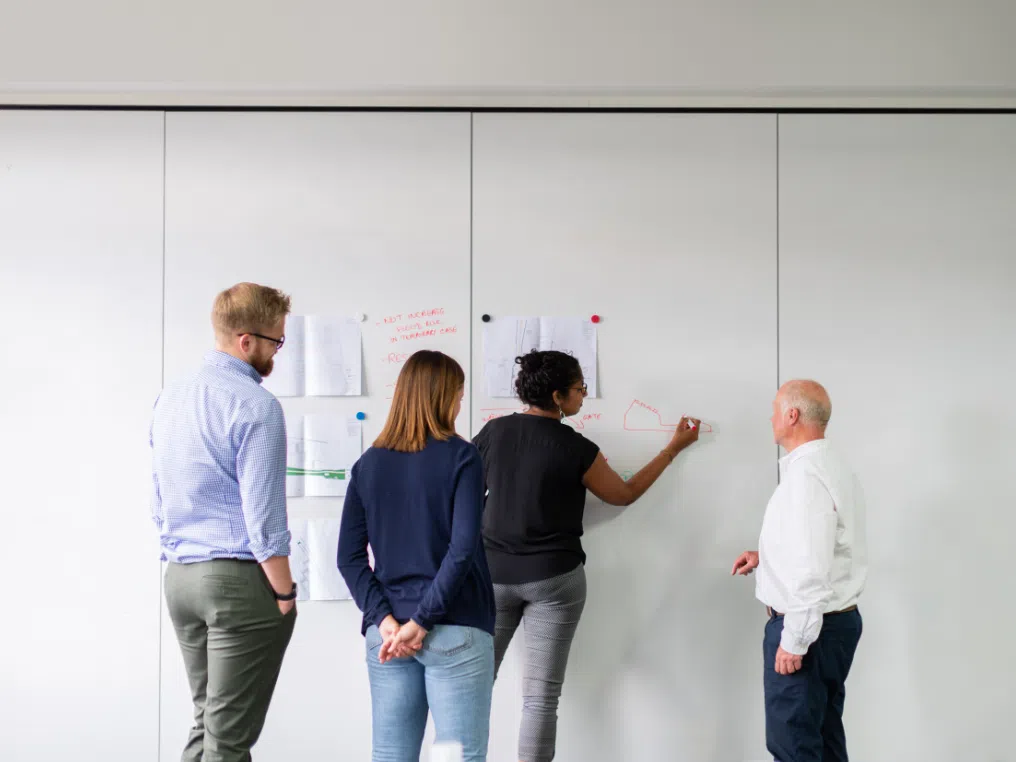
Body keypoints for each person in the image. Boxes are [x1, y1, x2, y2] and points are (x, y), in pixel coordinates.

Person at [472, 350, 701, 762]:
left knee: (472, 686)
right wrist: (672, 449)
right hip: (553, 579)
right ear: (558, 396)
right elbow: (622, 495)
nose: (584, 396)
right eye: (580, 389)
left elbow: (466, 492)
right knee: (540, 699)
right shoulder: (577, 447)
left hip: (491, 576)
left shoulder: (493, 433)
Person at [150, 282, 298, 762]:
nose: (278, 350)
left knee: (209, 722)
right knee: (229, 739)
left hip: (180, 578)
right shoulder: (256, 405)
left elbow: (158, 496)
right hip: (236, 582)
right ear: (245, 341)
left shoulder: (170, 398)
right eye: (275, 340)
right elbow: (264, 517)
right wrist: (285, 592)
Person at [337, 350, 495, 762]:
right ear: (443, 397)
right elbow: (461, 550)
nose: (461, 403)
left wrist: (388, 622)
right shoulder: (463, 456)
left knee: (390, 756)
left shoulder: (367, 464)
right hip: (455, 628)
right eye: (459, 394)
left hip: (387, 636)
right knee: (457, 756)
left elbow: (349, 559)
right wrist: (422, 621)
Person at [731, 380, 867, 762]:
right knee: (823, 738)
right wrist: (767, 556)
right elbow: (826, 542)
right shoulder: (831, 465)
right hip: (835, 624)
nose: (771, 417)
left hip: (809, 627)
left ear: (792, 415)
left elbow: (812, 567)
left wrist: (796, 639)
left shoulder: (806, 477)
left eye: (775, 409)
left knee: (794, 747)